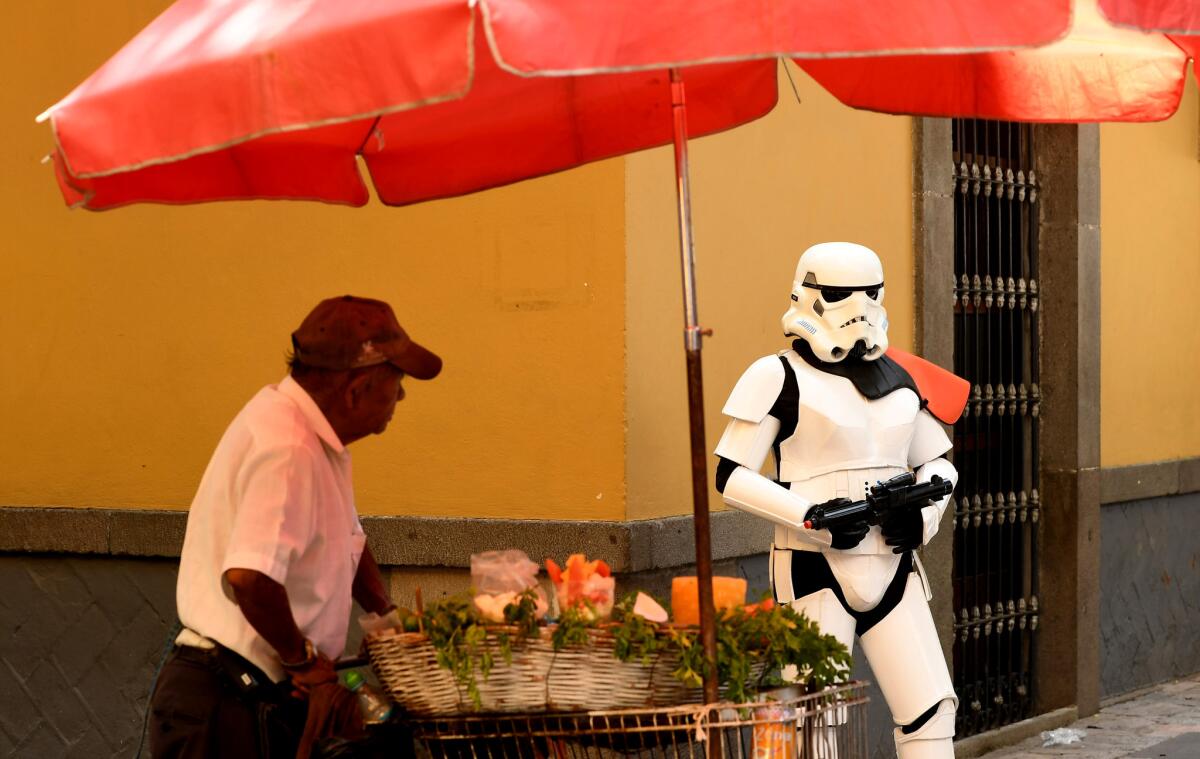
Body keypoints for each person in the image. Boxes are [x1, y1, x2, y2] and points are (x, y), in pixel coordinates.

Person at [149, 295, 442, 758]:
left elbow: (349, 538)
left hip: (248, 696)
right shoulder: (288, 447)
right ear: (356, 389)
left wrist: (385, 617)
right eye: (396, 381)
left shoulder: (314, 438)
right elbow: (250, 577)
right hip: (226, 704)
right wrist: (301, 660)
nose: (401, 396)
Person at [713, 242, 968, 759]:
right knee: (808, 721)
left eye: (868, 293)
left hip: (894, 565)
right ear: (808, 296)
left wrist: (922, 516)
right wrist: (809, 516)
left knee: (933, 711)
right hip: (813, 566)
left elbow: (939, 464)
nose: (857, 307)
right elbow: (729, 475)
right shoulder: (776, 375)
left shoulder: (900, 376)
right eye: (838, 294)